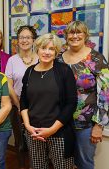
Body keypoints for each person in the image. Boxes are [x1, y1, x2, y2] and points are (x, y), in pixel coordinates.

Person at [20, 33, 77, 169]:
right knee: (37, 167)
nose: (46, 52)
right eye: (43, 48)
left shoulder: (64, 71)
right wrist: (28, 126)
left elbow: (71, 104)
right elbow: (23, 101)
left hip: (58, 132)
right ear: (37, 49)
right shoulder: (29, 72)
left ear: (56, 52)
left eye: (51, 49)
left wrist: (52, 129)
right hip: (34, 132)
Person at [58, 21, 109, 169]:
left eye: (78, 32)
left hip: (86, 123)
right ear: (66, 36)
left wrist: (99, 125)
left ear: (85, 35)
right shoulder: (59, 58)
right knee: (63, 162)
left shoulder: (96, 58)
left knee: (84, 163)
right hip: (60, 121)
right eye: (71, 32)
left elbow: (106, 94)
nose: (74, 36)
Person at [4, 25, 38, 169]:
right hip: (16, 107)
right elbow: (9, 85)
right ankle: (23, 166)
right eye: (21, 37)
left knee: (36, 141)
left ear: (34, 40)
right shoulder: (12, 60)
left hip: (38, 107)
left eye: (28, 37)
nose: (24, 40)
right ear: (17, 41)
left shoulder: (41, 57)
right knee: (20, 143)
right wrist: (19, 105)